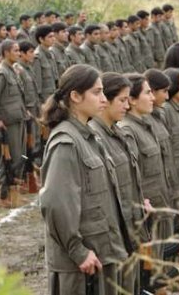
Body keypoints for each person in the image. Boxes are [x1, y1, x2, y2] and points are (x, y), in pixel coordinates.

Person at [40, 64, 130, 295]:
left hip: (99, 252)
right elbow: (56, 203)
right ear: (75, 96)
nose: (103, 98)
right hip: (81, 265)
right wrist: (78, 251)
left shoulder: (87, 136)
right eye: (97, 92)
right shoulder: (66, 142)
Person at [89, 72, 149, 294]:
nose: (127, 105)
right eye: (122, 100)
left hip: (129, 227)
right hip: (113, 233)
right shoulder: (95, 137)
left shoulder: (117, 132)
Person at [119, 73, 172, 294]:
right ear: (131, 100)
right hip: (146, 212)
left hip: (158, 204)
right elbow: (133, 178)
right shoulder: (128, 131)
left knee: (158, 261)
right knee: (146, 270)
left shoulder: (144, 124)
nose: (152, 97)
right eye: (147, 93)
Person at [0, 39, 27, 208]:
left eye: (19, 50)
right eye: (15, 50)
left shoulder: (12, 71)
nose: (19, 53)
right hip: (7, 123)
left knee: (17, 158)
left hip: (17, 119)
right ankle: (3, 196)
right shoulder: (1, 73)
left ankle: (13, 194)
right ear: (6, 53)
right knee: (7, 159)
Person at [144, 69, 179, 207]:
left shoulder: (159, 116)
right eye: (164, 91)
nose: (167, 97)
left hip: (168, 186)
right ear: (153, 92)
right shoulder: (142, 123)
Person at [33, 25, 59, 103]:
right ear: (41, 39)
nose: (53, 39)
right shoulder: (37, 56)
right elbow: (37, 83)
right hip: (45, 98)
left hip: (54, 95)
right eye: (50, 37)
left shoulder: (51, 53)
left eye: (53, 36)